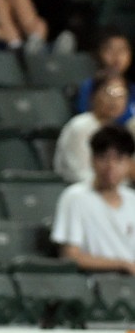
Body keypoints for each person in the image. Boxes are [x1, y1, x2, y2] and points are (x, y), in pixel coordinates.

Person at [51, 124, 135, 274]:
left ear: (129, 163)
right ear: (92, 159)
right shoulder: (75, 197)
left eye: (119, 159)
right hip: (95, 283)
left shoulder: (132, 199)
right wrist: (122, 264)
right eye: (103, 158)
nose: (111, 166)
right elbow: (71, 255)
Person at [53, 74, 135, 184]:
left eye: (121, 95)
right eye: (109, 93)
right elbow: (77, 174)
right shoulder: (80, 126)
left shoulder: (119, 131)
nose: (114, 100)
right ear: (93, 95)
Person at [75, 29, 135, 125]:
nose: (117, 56)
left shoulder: (132, 88)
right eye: (110, 49)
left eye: (122, 50)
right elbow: (85, 114)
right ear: (100, 52)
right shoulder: (90, 85)